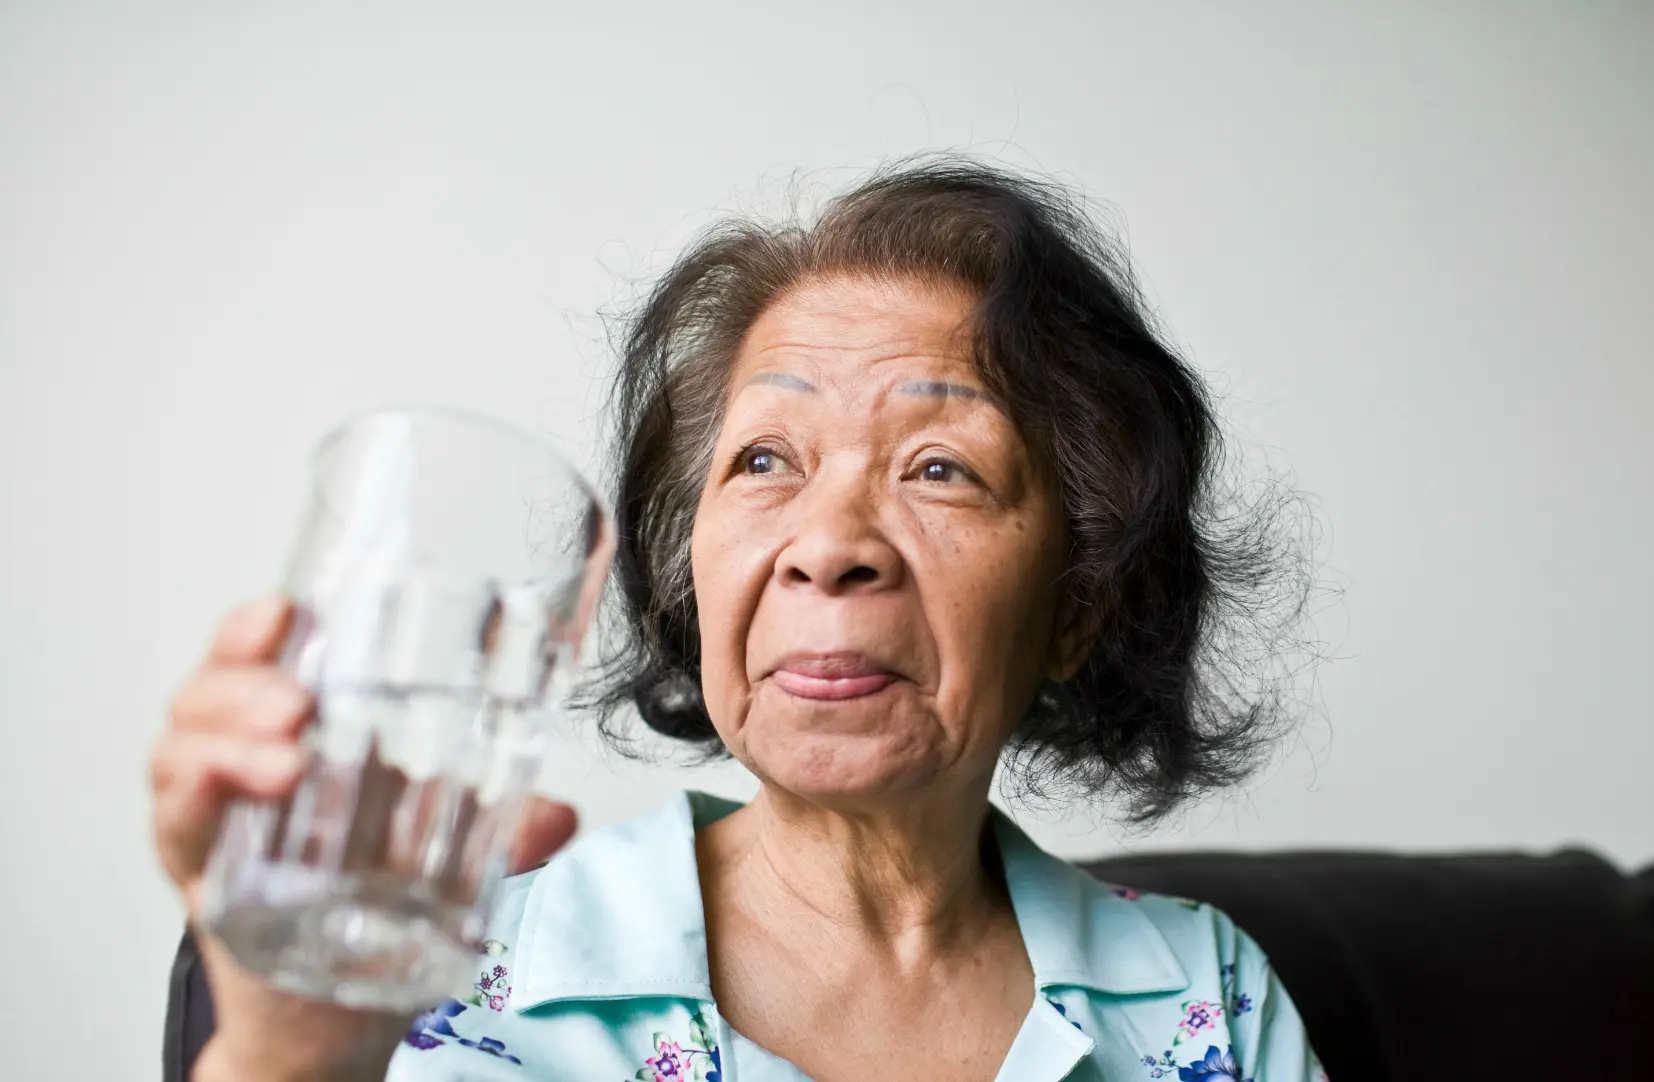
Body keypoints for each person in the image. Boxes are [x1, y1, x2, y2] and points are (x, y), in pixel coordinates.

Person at [151, 159, 1325, 1082]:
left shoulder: (1204, 994)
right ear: (694, 568)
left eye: (940, 469)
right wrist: (289, 1064)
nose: (828, 543)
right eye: (765, 459)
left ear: (1078, 605)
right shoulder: (437, 965)